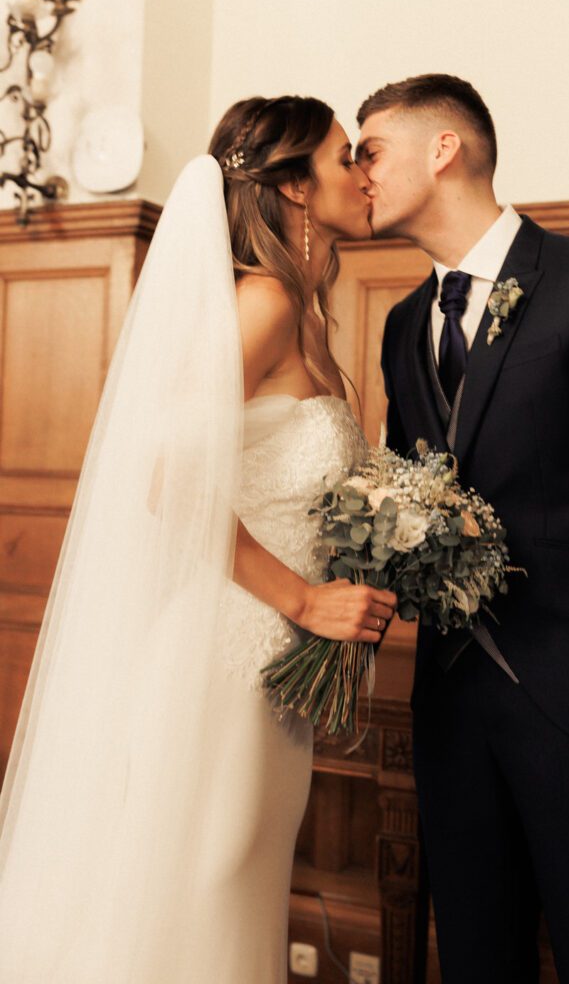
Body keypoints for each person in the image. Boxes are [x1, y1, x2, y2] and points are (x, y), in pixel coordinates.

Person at [0, 95, 396, 983]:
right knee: (206, 879)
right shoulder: (261, 303)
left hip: (271, 657)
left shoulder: (312, 314)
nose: (363, 174)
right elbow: (165, 477)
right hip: (223, 643)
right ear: (295, 189)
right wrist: (302, 598)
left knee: (240, 876)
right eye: (345, 158)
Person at [357, 74, 569, 984]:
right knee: (476, 960)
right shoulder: (402, 326)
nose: (360, 175)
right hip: (449, 715)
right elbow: (414, 496)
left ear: (445, 149)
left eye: (372, 151)